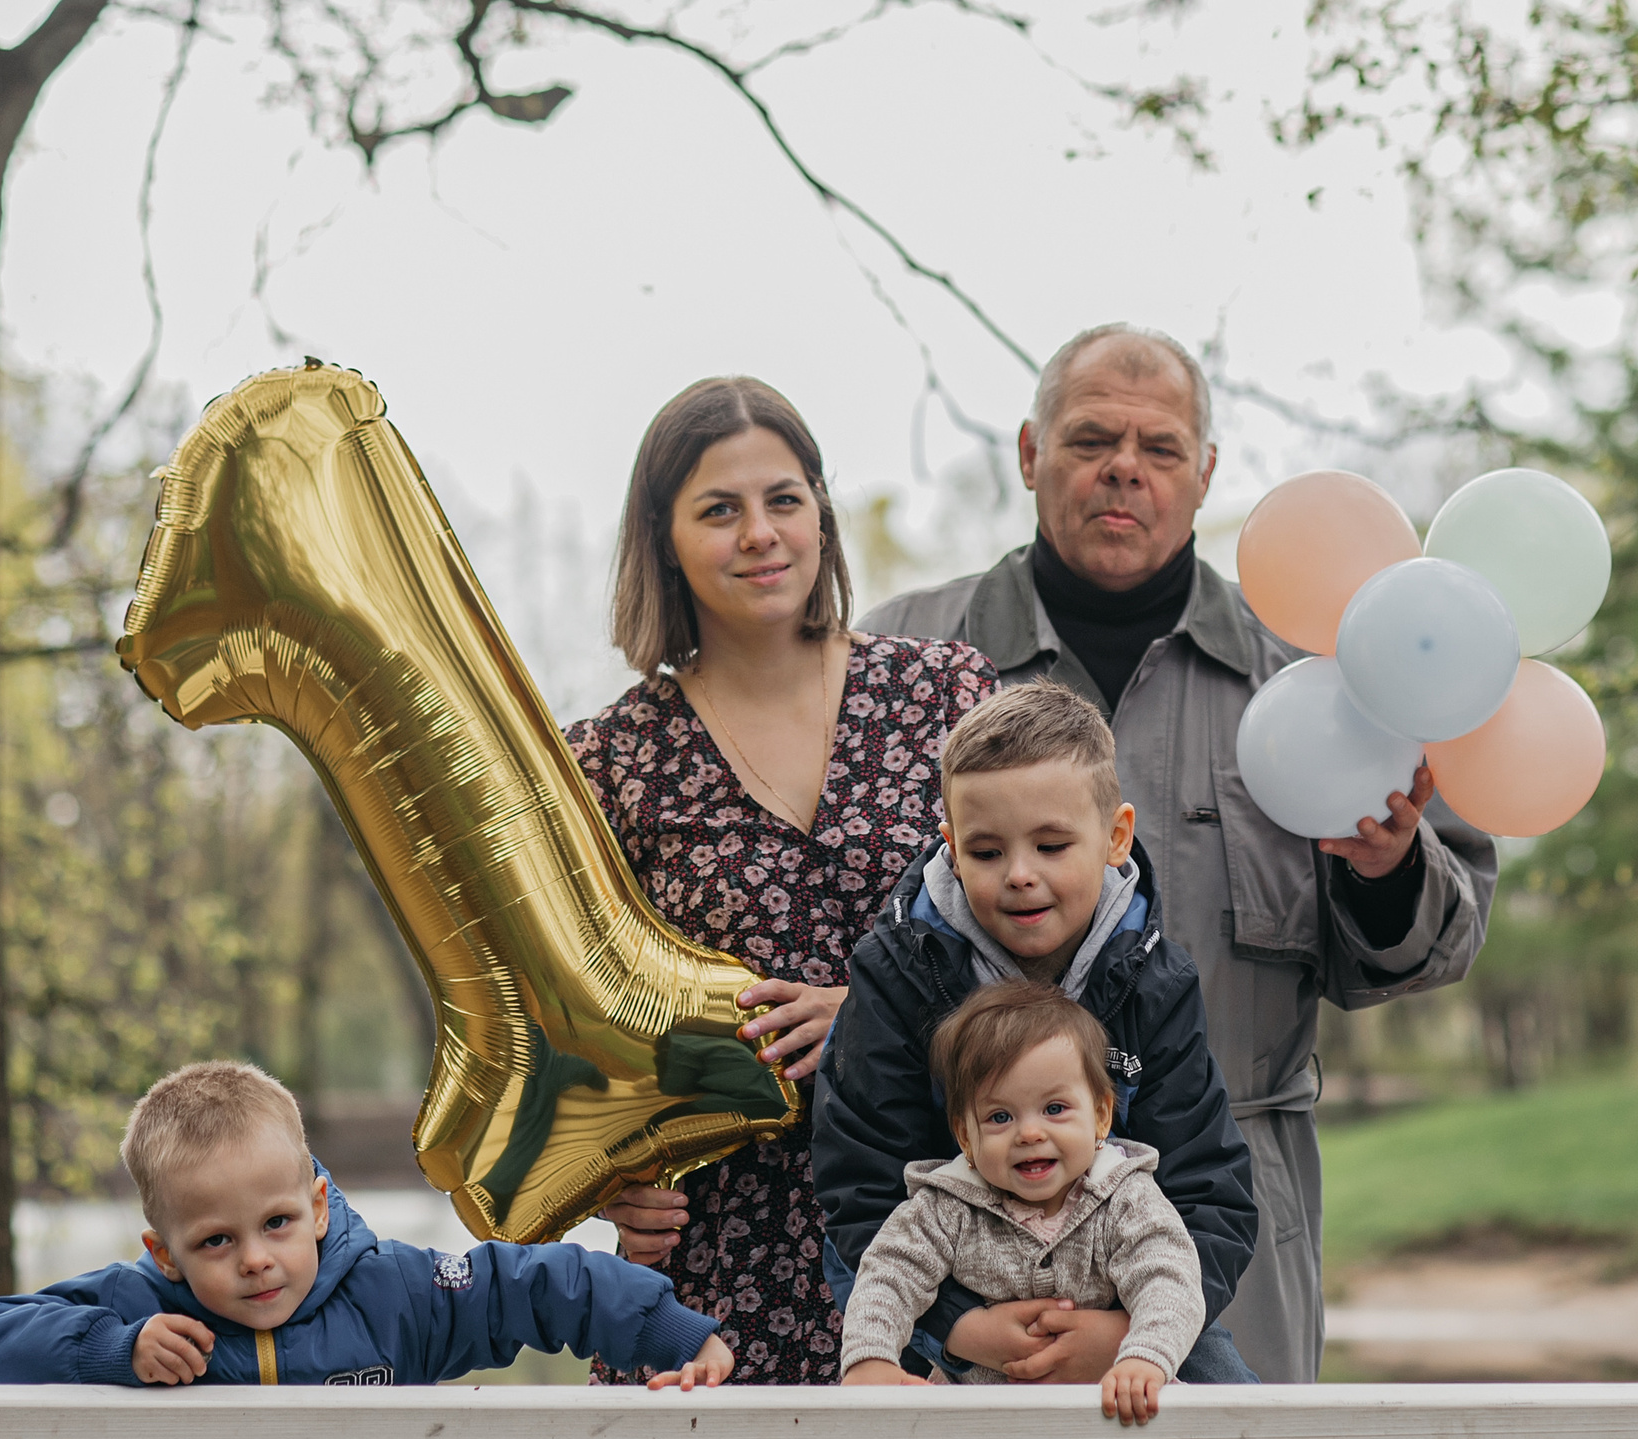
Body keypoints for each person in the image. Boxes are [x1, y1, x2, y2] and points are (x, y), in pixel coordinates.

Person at [860, 325, 1497, 1383]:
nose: (1124, 467)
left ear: (1205, 475)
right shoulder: (901, 659)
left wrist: (1382, 870)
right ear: (1027, 453)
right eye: (1090, 438)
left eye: (1160, 449)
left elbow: (1438, 941)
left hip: (1228, 1218)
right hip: (965, 1237)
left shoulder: (1323, 676)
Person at [566, 376, 993, 1385]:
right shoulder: (611, 761)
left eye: (783, 499)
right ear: (663, 538)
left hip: (942, 1233)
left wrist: (876, 1010)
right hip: (709, 1271)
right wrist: (607, 1182)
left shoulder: (945, 697)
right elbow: (569, 1024)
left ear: (821, 513)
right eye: (719, 509)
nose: (759, 532)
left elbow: (1048, 947)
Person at [812, 679, 1257, 1385]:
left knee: (1240, 1438)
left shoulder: (1155, 981)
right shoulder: (898, 971)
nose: (1020, 875)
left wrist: (1133, 1330)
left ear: (1116, 836)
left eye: (1051, 844)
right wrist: (957, 1324)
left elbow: (1209, 1185)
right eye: (987, 852)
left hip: (1129, 1310)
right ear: (952, 848)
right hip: (950, 1298)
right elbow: (862, 1177)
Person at [0, 1061, 731, 1389]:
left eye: (277, 1222)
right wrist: (117, 1348)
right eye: (216, 1241)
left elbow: (537, 1284)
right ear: (164, 1253)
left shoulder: (397, 1291)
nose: (256, 1259)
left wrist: (671, 1330)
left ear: (319, 1205)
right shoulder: (142, 1311)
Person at [840, 982, 1203, 1424]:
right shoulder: (946, 1206)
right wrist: (869, 1358)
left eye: (1054, 1108)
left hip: (1109, 1415)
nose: (1029, 1133)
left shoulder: (1125, 1198)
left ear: (1101, 1115)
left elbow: (1169, 1280)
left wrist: (1145, 1357)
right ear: (965, 1137)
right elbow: (887, 1277)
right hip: (977, 1422)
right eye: (1000, 1117)